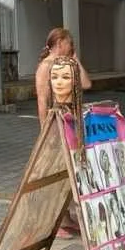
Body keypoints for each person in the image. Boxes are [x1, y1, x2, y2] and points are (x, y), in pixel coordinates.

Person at [34, 28, 91, 238]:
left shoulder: (66, 64)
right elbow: (42, 101)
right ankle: (54, 222)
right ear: (59, 43)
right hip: (55, 123)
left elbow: (85, 83)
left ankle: (65, 217)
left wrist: (76, 61)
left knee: (68, 171)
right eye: (69, 42)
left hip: (70, 121)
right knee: (56, 173)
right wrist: (45, 132)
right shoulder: (46, 67)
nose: (72, 45)